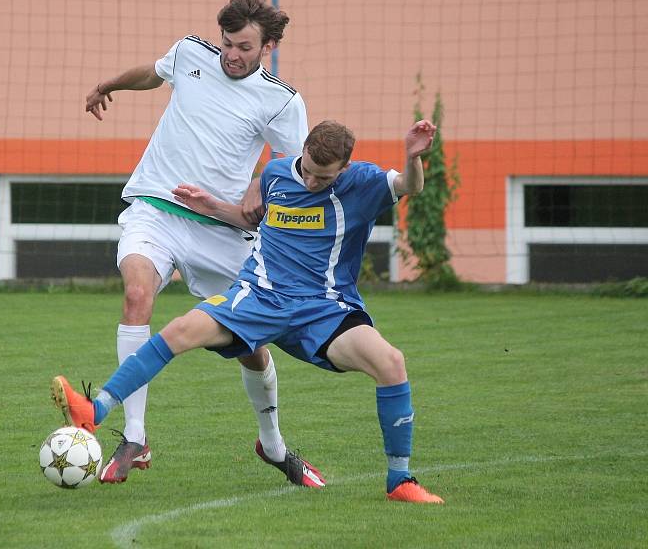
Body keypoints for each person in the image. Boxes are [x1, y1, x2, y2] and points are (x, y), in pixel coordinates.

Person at [52, 119, 445, 503]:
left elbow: (409, 185)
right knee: (178, 331)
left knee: (391, 363)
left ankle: (399, 480)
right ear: (302, 152)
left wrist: (412, 157)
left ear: (343, 168)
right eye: (307, 170)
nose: (310, 182)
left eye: (322, 179)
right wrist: (212, 206)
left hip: (323, 308)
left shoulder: (363, 182)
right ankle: (96, 408)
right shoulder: (276, 174)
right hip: (258, 297)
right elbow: (248, 218)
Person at [82, 0, 322, 486]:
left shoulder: (282, 101)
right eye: (227, 44)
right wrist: (111, 84)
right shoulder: (191, 54)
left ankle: (273, 444)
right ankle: (135, 437)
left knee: (251, 344)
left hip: (222, 232)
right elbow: (154, 73)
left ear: (268, 47)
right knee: (136, 294)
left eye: (244, 47)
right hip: (157, 210)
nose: (231, 55)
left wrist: (262, 181)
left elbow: (301, 170)